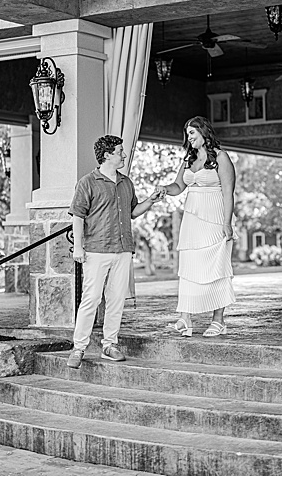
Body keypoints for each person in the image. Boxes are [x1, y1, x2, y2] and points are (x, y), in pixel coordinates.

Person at [68, 135, 162, 368]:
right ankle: (78, 347)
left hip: (123, 249)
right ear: (108, 154)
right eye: (120, 150)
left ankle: (109, 345)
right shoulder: (87, 182)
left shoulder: (126, 182)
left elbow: (133, 211)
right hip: (96, 250)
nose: (124, 154)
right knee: (90, 299)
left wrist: (151, 200)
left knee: (116, 299)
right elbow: (78, 216)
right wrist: (78, 247)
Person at [164, 116, 237, 337]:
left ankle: (218, 320)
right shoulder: (188, 159)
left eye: (192, 133)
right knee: (188, 268)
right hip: (192, 221)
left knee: (217, 268)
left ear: (204, 133)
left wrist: (227, 223)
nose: (189, 138)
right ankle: (185, 318)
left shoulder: (221, 158)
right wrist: (163, 189)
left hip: (215, 219)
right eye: (187, 134)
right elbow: (178, 186)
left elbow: (228, 192)